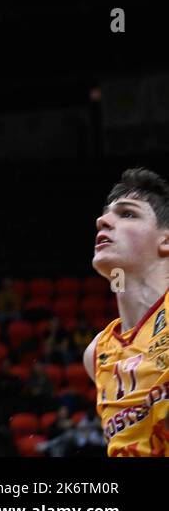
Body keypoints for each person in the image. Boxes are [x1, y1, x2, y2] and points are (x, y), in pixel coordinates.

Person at [84, 167, 169, 455]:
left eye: (127, 213)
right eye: (106, 214)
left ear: (166, 240)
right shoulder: (96, 352)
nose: (102, 221)